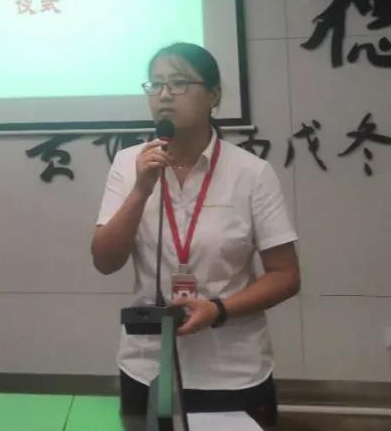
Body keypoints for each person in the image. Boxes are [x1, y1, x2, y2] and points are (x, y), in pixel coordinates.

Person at [91, 43, 300, 426]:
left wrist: (218, 309)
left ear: (214, 95)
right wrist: (140, 190)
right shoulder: (128, 164)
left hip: (232, 367)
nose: (164, 94)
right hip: (147, 365)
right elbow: (105, 261)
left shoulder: (251, 173)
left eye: (179, 83)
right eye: (155, 84)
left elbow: (286, 275)